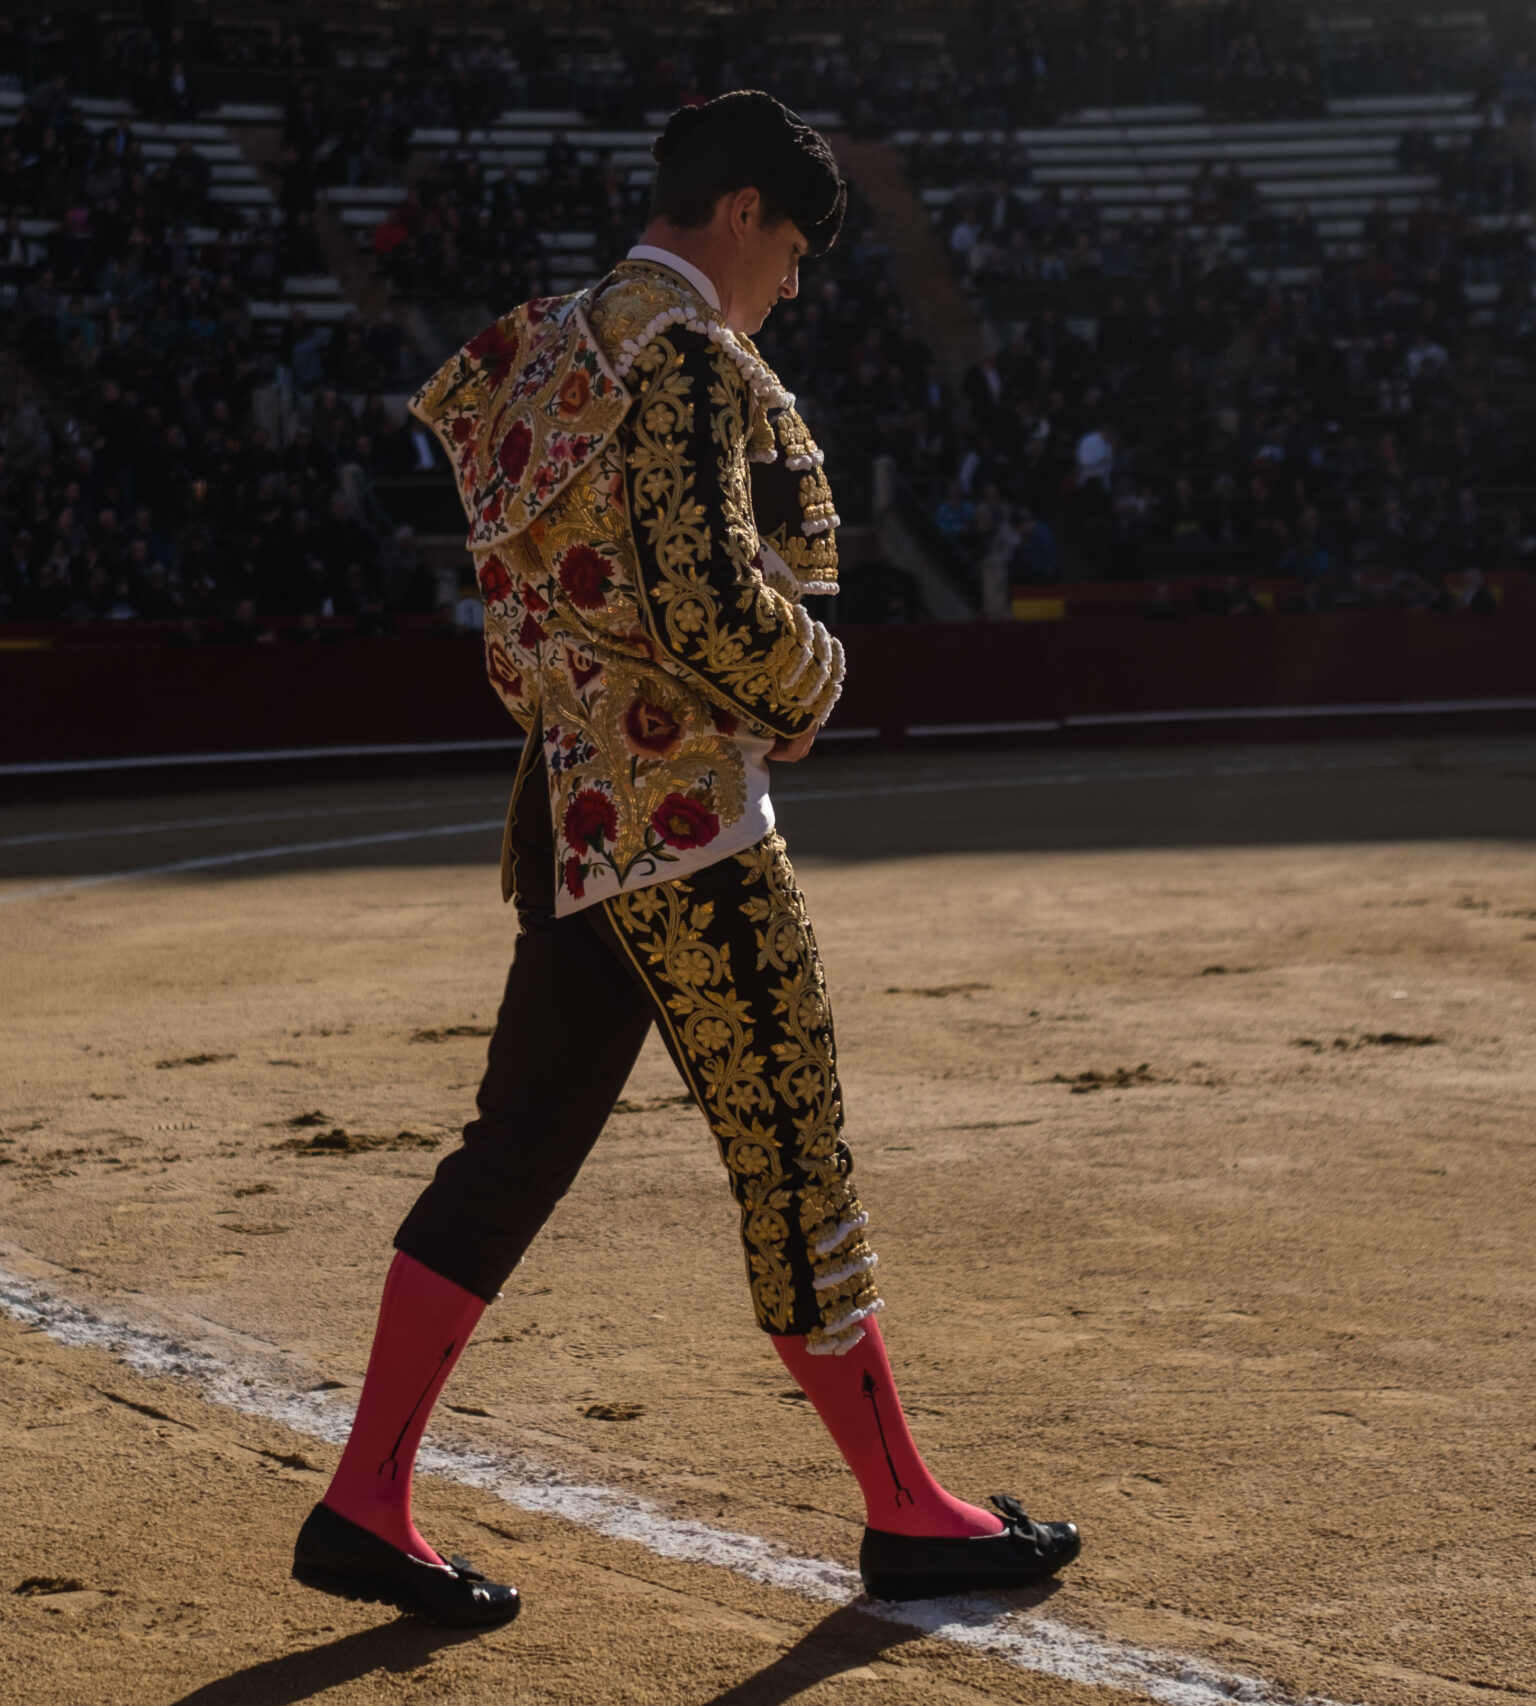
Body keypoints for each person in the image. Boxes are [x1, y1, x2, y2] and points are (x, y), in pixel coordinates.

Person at [292, 93, 1080, 1627]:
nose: (789, 282)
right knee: (795, 1158)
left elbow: (526, 622)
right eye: (789, 249)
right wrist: (807, 690)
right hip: (692, 832)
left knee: (509, 1155)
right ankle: (908, 1509)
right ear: (737, 212)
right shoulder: (678, 358)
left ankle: (364, 1498)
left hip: (577, 815)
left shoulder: (539, 348)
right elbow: (708, 593)